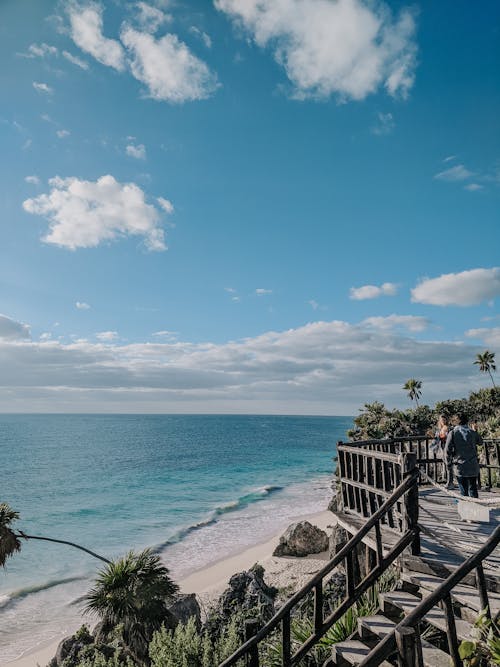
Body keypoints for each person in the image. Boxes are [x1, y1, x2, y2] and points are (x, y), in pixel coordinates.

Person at [444, 414, 482, 498]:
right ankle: (475, 509)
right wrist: (475, 431)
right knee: (473, 489)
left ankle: (466, 509)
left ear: (456, 421)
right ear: (467, 421)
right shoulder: (471, 432)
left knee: (463, 491)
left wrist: (448, 463)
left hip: (460, 465)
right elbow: (480, 442)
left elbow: (447, 450)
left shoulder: (453, 432)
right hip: (473, 465)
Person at [433, 415, 453, 487]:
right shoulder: (439, 429)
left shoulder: (449, 428)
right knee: (446, 464)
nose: (443, 421)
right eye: (442, 420)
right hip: (442, 448)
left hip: (448, 448)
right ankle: (448, 481)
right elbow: (436, 438)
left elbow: (450, 438)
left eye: (444, 420)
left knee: (448, 465)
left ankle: (450, 483)